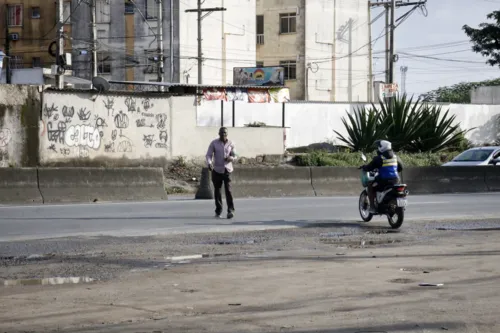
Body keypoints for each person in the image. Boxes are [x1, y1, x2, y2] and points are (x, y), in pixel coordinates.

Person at [362, 139, 403, 213]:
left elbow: (369, 167)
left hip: (384, 181)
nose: (378, 148)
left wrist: (364, 167)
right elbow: (401, 168)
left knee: (370, 185)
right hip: (396, 180)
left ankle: (372, 207)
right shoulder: (396, 157)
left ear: (382, 148)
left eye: (379, 146)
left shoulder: (380, 158)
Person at [206, 127, 237, 219]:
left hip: (227, 170)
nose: (223, 134)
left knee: (228, 191)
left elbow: (235, 155)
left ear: (227, 134)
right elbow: (208, 154)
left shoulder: (231, 143)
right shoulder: (214, 143)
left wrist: (231, 158)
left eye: (225, 133)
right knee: (217, 191)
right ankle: (218, 210)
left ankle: (230, 211)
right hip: (217, 170)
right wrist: (209, 163)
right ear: (219, 133)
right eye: (222, 133)